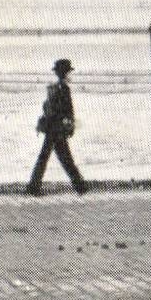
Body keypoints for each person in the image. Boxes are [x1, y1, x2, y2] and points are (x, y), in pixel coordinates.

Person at [27, 58, 87, 196]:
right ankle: (80, 187)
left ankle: (33, 188)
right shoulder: (64, 89)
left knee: (49, 158)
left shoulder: (53, 89)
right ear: (65, 73)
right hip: (58, 130)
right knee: (64, 159)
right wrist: (69, 126)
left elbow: (48, 108)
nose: (70, 75)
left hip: (51, 128)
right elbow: (68, 111)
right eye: (68, 72)